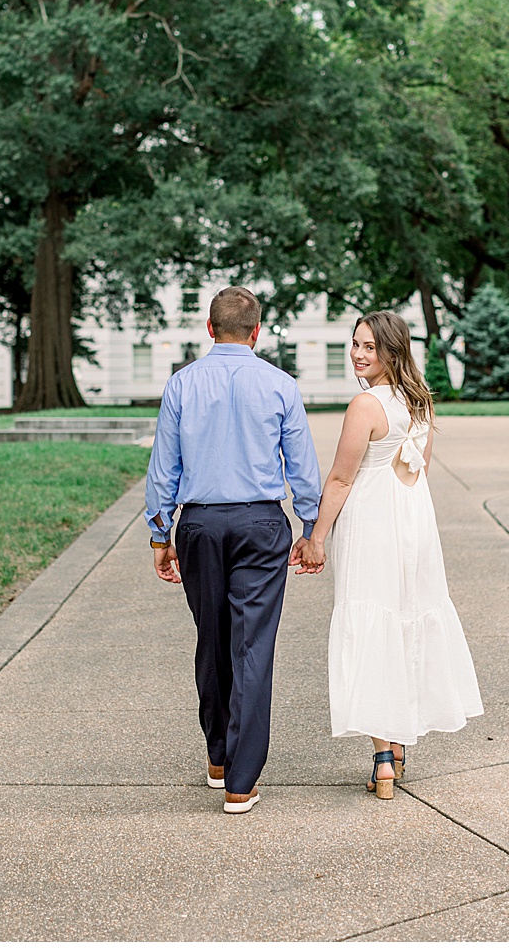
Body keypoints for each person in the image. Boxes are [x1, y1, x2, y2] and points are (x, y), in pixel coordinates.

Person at [146, 284, 323, 815]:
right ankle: (240, 782)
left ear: (209, 329)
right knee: (252, 646)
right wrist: (310, 526)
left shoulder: (182, 384)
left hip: (199, 526)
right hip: (261, 523)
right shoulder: (280, 385)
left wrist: (161, 534)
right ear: (257, 332)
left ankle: (219, 756)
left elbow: (165, 467)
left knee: (213, 638)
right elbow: (303, 468)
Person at [295, 310, 482, 798]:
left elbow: (340, 478)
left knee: (375, 624)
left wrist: (316, 537)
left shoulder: (366, 405)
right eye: (355, 344)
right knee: (406, 619)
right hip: (415, 521)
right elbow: (419, 470)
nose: (358, 354)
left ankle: (382, 757)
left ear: (392, 352)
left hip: (373, 523)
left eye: (369, 347)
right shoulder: (420, 403)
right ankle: (399, 745)